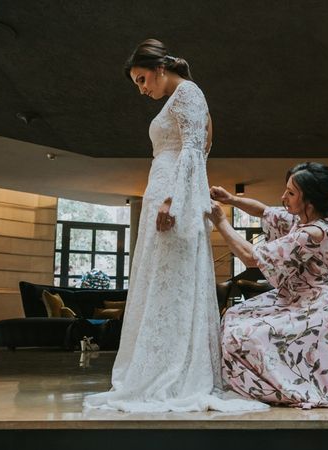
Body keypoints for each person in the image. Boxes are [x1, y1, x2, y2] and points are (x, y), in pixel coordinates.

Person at [84, 39, 267, 413]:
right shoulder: (181, 97)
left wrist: (174, 200)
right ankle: (158, 364)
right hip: (165, 191)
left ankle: (175, 371)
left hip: (172, 197)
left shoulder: (188, 92)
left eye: (142, 79)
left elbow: (191, 149)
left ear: (160, 68)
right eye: (137, 83)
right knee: (161, 281)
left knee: (172, 281)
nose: (142, 88)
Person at [208, 162, 328, 408]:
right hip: (293, 298)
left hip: (318, 308)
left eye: (291, 193)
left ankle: (275, 386)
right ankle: (247, 382)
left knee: (246, 335)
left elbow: (251, 258)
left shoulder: (315, 232)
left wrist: (221, 222)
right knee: (235, 314)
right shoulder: (299, 219)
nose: (283, 198)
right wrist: (230, 199)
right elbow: (264, 211)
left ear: (309, 200)